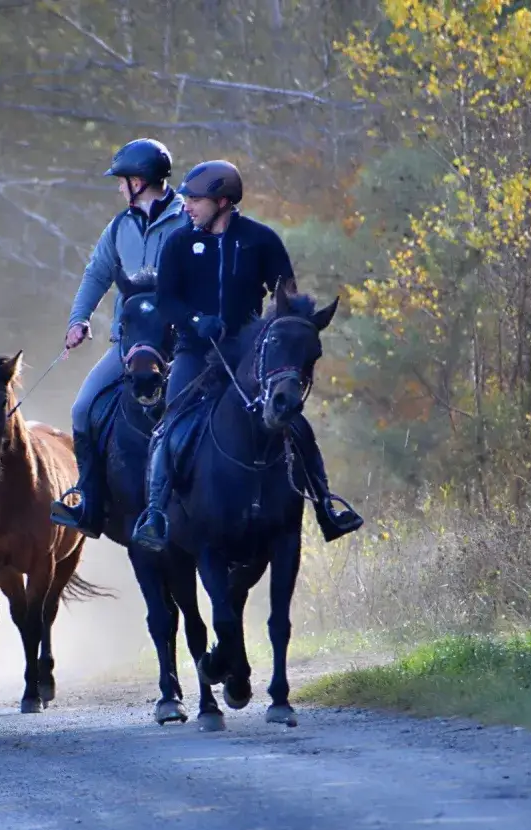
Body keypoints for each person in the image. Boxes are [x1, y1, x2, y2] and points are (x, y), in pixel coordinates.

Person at [129, 160, 364, 552]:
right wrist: (195, 319)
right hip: (194, 351)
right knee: (168, 426)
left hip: (246, 353)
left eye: (195, 200)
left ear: (222, 202)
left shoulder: (261, 240)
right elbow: (166, 301)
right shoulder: (179, 243)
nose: (186, 206)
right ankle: (155, 514)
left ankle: (326, 506)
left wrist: (278, 329)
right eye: (186, 199)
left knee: (293, 423)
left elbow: (285, 294)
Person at [49, 138, 187, 538]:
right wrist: (79, 318)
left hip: (181, 343)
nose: (119, 188)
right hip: (130, 346)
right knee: (82, 409)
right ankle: (90, 501)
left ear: (140, 181)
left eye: (122, 180)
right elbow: (97, 274)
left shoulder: (187, 220)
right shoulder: (119, 226)